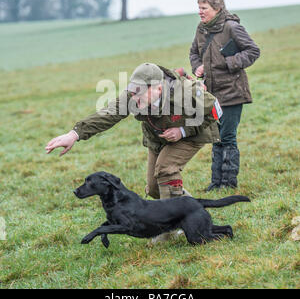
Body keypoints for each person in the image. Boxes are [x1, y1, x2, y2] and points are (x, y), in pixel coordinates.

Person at [46, 63, 222, 241]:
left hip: (192, 134)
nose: (133, 96)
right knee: (154, 188)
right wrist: (74, 134)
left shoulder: (185, 92)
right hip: (159, 137)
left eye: (139, 92)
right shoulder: (133, 95)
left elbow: (216, 111)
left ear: (158, 89)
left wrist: (183, 131)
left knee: (165, 169)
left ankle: (170, 232)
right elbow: (109, 113)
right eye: (132, 91)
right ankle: (193, 213)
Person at [189, 0, 260, 191]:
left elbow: (253, 51)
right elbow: (194, 52)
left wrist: (229, 62)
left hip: (232, 92)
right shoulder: (201, 29)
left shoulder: (232, 27)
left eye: (204, 8)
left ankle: (228, 184)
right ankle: (216, 183)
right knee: (215, 137)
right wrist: (197, 67)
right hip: (211, 95)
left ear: (217, 8)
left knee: (227, 137)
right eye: (199, 8)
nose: (200, 12)